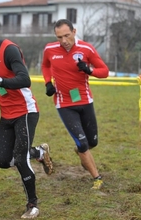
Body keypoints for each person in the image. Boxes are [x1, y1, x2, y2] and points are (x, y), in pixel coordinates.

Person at [0, 13, 53, 220]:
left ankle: (33, 204)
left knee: (21, 159)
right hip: (6, 113)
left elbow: (24, 80)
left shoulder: (9, 49)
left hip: (26, 111)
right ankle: (39, 152)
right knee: (3, 161)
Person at [41, 19, 109, 190]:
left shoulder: (86, 49)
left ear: (74, 31)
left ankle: (81, 151)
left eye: (66, 35)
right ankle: (97, 178)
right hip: (64, 104)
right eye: (59, 37)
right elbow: (45, 65)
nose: (64, 40)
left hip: (85, 101)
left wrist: (89, 70)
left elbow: (105, 71)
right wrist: (48, 83)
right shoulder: (50, 49)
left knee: (92, 142)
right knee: (83, 143)